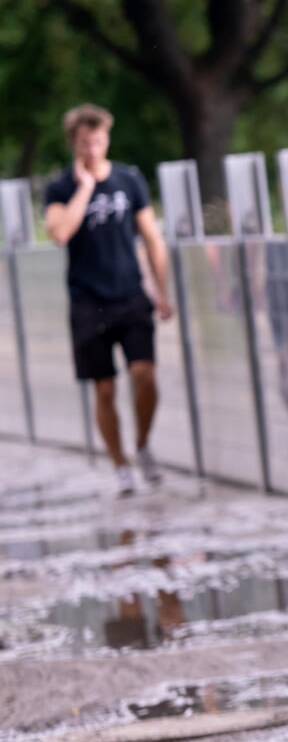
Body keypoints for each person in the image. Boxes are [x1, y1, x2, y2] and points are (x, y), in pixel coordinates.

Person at [42, 104, 175, 495]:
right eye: (85, 143)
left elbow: (152, 238)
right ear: (74, 144)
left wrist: (162, 290)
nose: (93, 149)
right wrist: (84, 187)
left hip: (130, 292)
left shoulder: (129, 180)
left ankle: (142, 444)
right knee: (104, 388)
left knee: (144, 374)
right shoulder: (60, 188)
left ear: (107, 139)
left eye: (98, 141)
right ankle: (119, 463)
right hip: (87, 298)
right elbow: (60, 232)